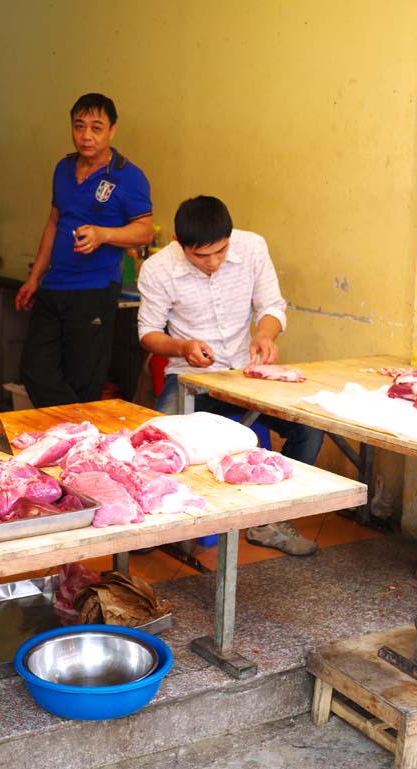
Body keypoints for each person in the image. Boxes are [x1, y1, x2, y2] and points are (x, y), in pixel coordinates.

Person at [137, 195, 324, 556]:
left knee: (310, 428)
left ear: (230, 237)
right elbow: (148, 333)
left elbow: (272, 306)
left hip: (245, 374)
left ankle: (270, 518)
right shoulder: (158, 269)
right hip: (189, 376)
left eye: (221, 251)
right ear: (180, 245)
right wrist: (183, 347)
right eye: (201, 256)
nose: (214, 262)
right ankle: (155, 523)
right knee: (154, 442)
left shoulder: (253, 248)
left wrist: (265, 334)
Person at [16, 93, 154, 407]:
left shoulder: (129, 176)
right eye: (79, 127)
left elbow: (144, 231)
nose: (86, 136)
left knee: (83, 381)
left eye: (96, 128)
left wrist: (103, 234)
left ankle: (75, 441)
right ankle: (75, 427)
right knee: (35, 371)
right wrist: (35, 277)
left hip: (93, 290)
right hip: (54, 286)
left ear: (112, 130)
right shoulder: (63, 168)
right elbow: (54, 223)